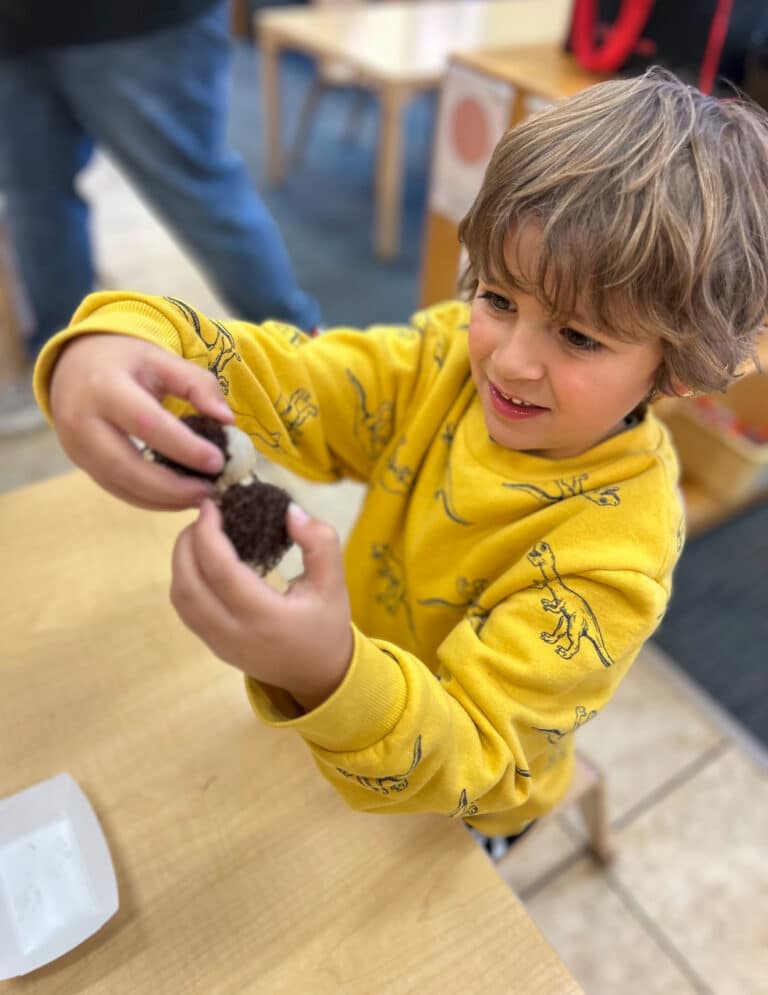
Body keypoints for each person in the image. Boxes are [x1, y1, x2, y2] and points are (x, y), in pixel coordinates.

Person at [33, 69, 768, 851]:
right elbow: (309, 383)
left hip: (464, 795)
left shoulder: (618, 555)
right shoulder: (447, 355)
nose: (509, 361)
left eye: (579, 337)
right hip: (355, 673)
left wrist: (328, 673)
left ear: (677, 368)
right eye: (499, 297)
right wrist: (131, 337)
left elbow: (481, 749)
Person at [0, 0, 320, 433]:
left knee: (198, 194)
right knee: (34, 200)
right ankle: (60, 358)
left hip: (144, 22)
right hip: (16, 33)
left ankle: (303, 356)